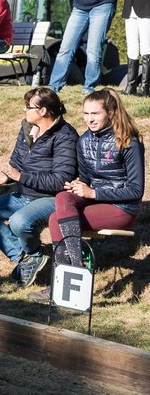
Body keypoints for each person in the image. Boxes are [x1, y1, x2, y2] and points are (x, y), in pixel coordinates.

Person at [0, 87, 78, 286]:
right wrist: (7, 177)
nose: (24, 110)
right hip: (23, 194)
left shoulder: (65, 135)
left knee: (19, 221)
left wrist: (20, 176)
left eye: (28, 107)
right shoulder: (27, 128)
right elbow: (16, 163)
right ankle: (28, 258)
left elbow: (61, 180)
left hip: (52, 198)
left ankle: (32, 256)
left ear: (43, 111)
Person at [47, 89, 144, 278]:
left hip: (121, 208)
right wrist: (77, 185)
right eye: (86, 113)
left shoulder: (128, 142)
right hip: (95, 200)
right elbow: (85, 178)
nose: (89, 119)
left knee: (55, 220)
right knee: (62, 199)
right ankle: (67, 274)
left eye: (95, 113)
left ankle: (74, 272)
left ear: (110, 113)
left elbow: (136, 190)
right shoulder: (83, 141)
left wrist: (93, 193)